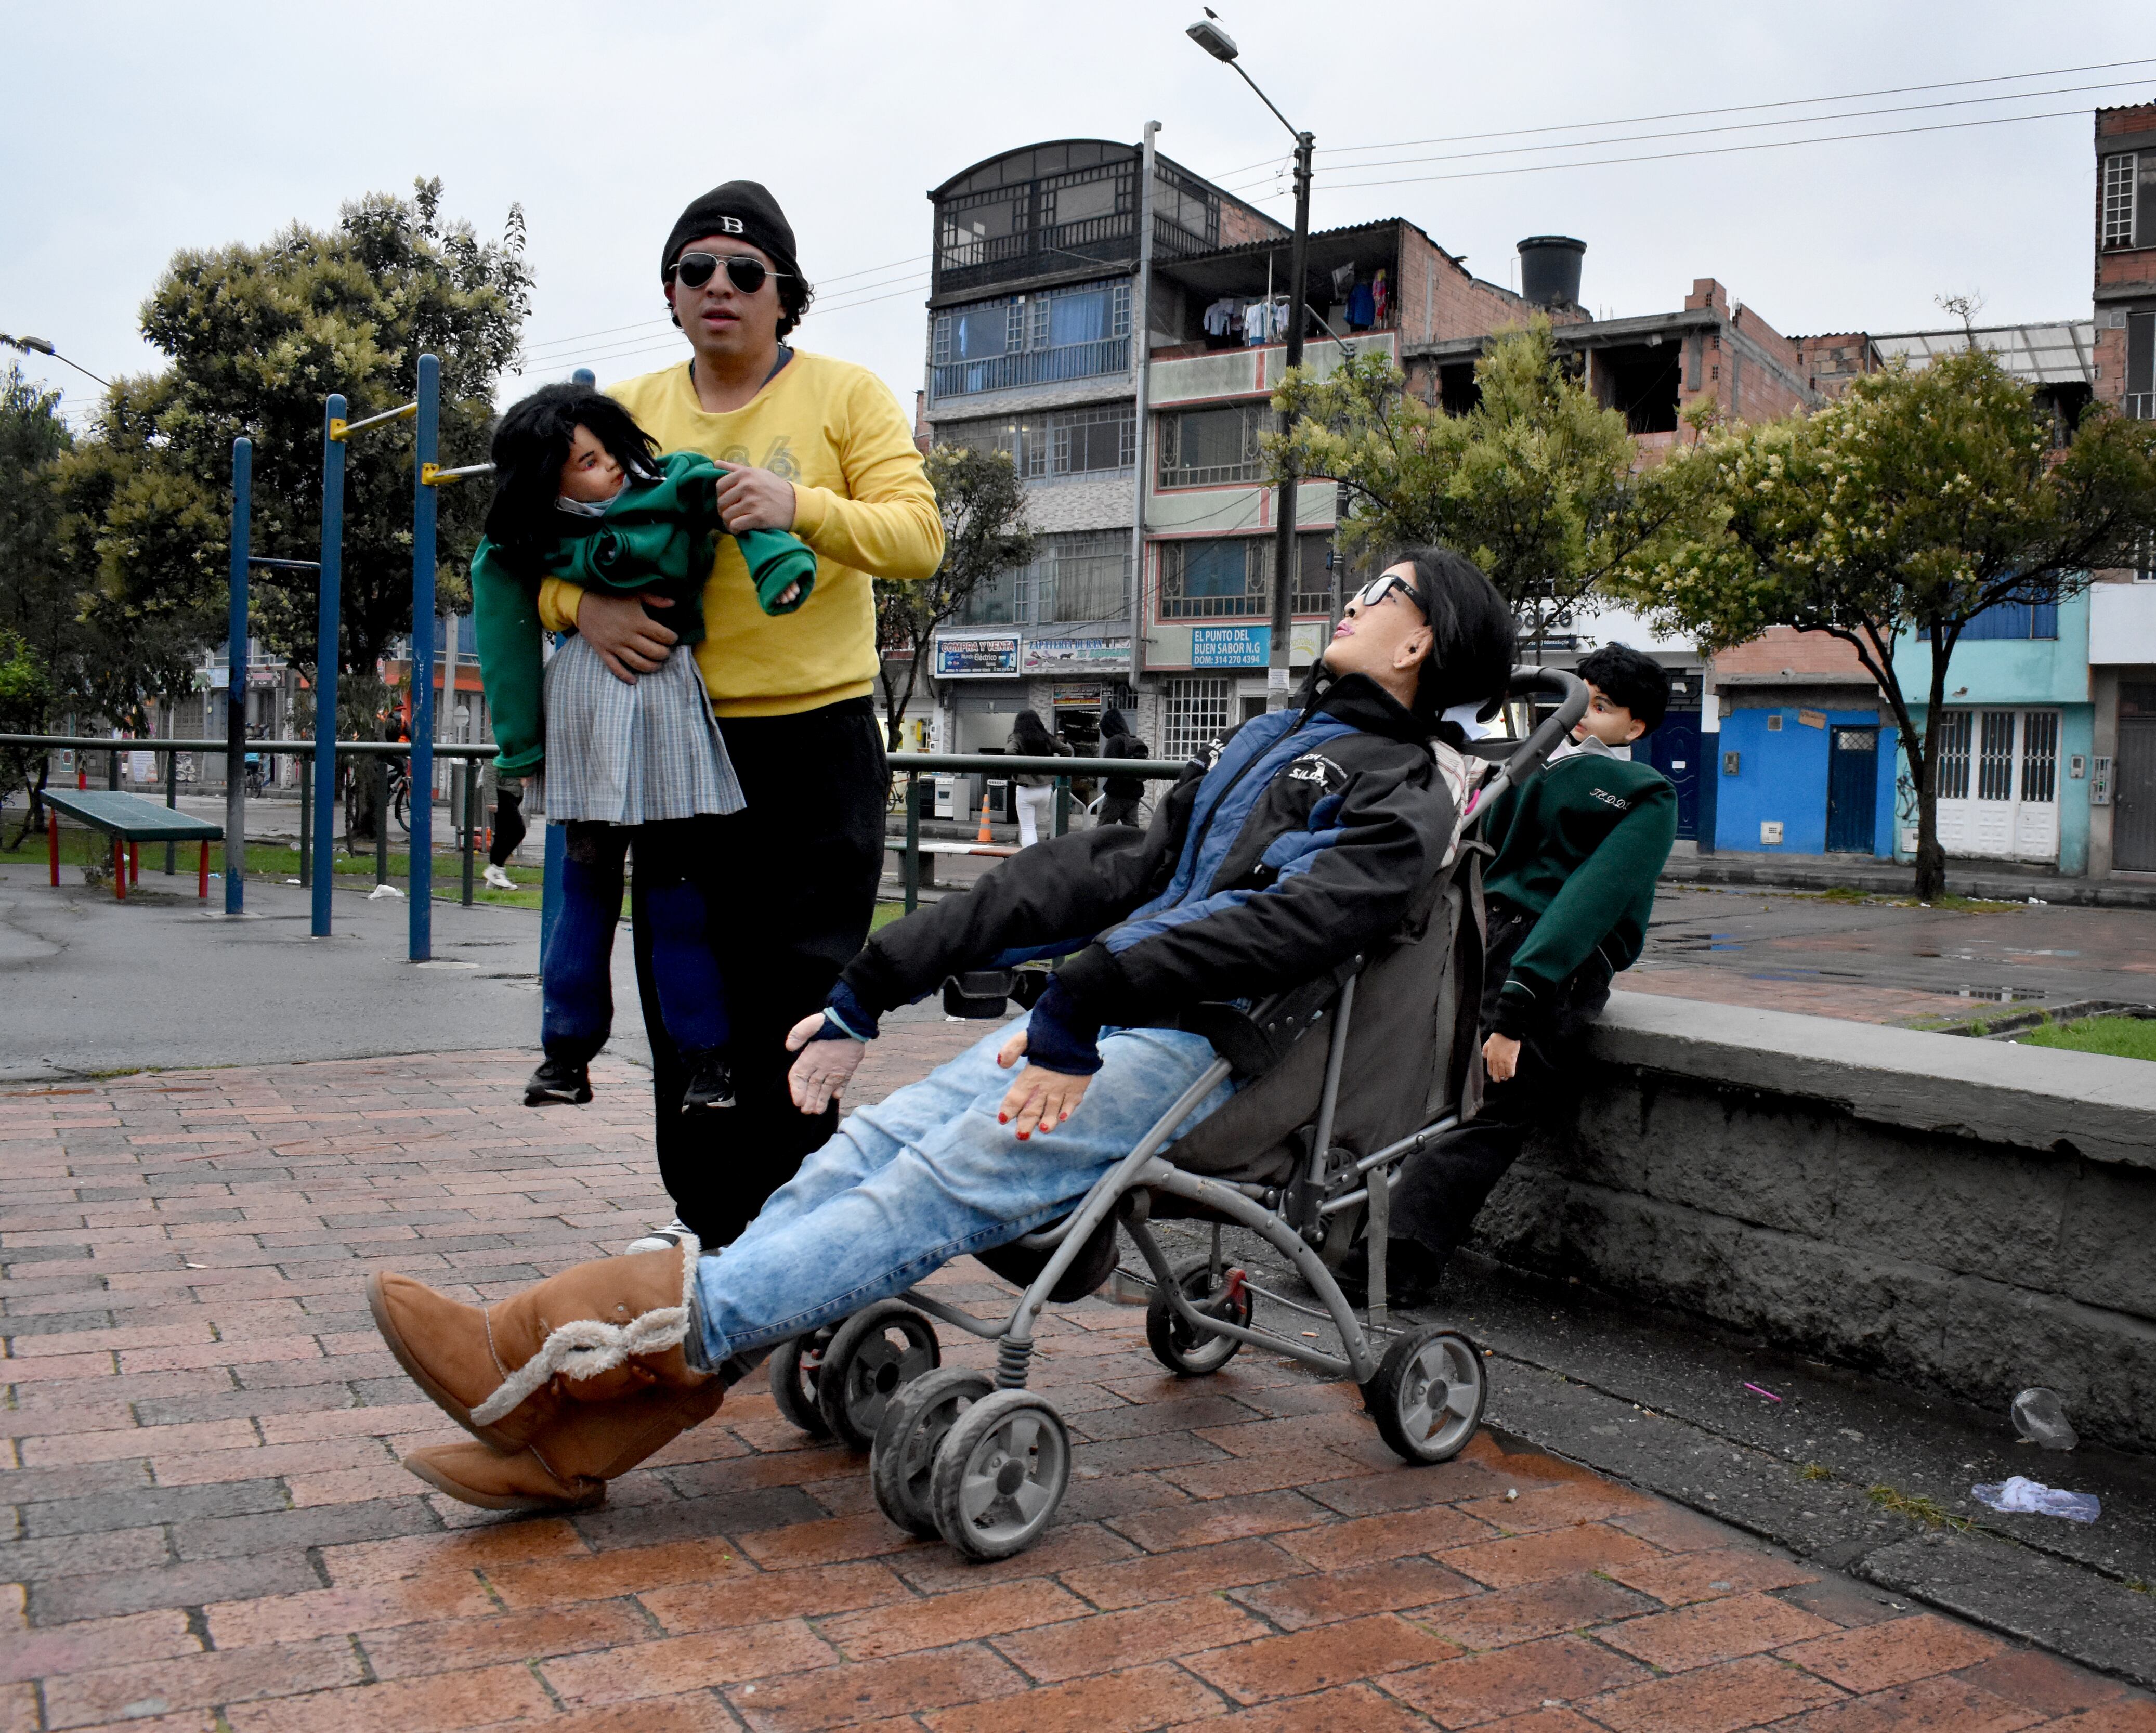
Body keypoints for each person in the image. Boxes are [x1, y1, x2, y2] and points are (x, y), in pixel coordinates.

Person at [367, 549, 1517, 1512]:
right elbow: (1106, 871)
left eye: (1383, 590)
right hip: (1107, 1018)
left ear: (1420, 643)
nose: (1355, 600)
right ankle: (574, 1442)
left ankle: (539, 1346)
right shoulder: (1271, 741)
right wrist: (883, 975)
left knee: (923, 1190)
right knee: (872, 1152)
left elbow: (1282, 928)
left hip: (1203, 1054)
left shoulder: (1404, 790)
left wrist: (1084, 994)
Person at [535, 181, 944, 1250]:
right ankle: (707, 1224)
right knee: (687, 996)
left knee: (802, 995)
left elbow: (917, 539)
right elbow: (519, 560)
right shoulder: (623, 411)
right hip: (672, 747)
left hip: (816, 743)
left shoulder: (847, 395)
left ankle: (802, 1237)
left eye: (746, 272)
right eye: (696, 271)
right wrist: (586, 602)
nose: (720, 287)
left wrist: (797, 505)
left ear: (783, 296)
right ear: (671, 296)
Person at [472, 385, 820, 1112]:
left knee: (677, 898)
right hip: (588, 705)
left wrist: (776, 559)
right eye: (589, 466)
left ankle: (705, 1060)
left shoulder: (674, 483)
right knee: (585, 890)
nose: (611, 473)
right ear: (548, 482)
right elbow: (502, 619)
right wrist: (518, 745)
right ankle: (566, 1053)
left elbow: (733, 497)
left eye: (607, 455)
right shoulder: (531, 534)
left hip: (663, 699)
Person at [1341, 643, 1677, 1308]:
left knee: (1423, 1095)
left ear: (1635, 727)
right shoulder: (1644, 793)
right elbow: (1589, 902)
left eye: (1600, 707)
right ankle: (1388, 1262)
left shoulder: (1521, 770)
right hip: (1545, 965)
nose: (1580, 716)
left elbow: (1458, 851)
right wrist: (1522, 1001)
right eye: (1578, 701)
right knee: (1493, 1112)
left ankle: (1344, 1235)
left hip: (1469, 938)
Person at [1005, 709, 1070, 848]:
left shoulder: (1016, 737)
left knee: (1027, 828)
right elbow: (1067, 751)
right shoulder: (1045, 737)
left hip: (1026, 788)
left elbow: (1010, 752)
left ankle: (1030, 860)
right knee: (1031, 826)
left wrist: (1019, 767)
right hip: (1046, 789)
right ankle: (1029, 858)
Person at [1096, 705, 1149, 827]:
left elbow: (1107, 766)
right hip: (1134, 795)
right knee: (1132, 834)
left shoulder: (1115, 740)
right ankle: (1138, 847)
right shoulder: (1132, 740)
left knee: (1102, 831)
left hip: (1116, 794)